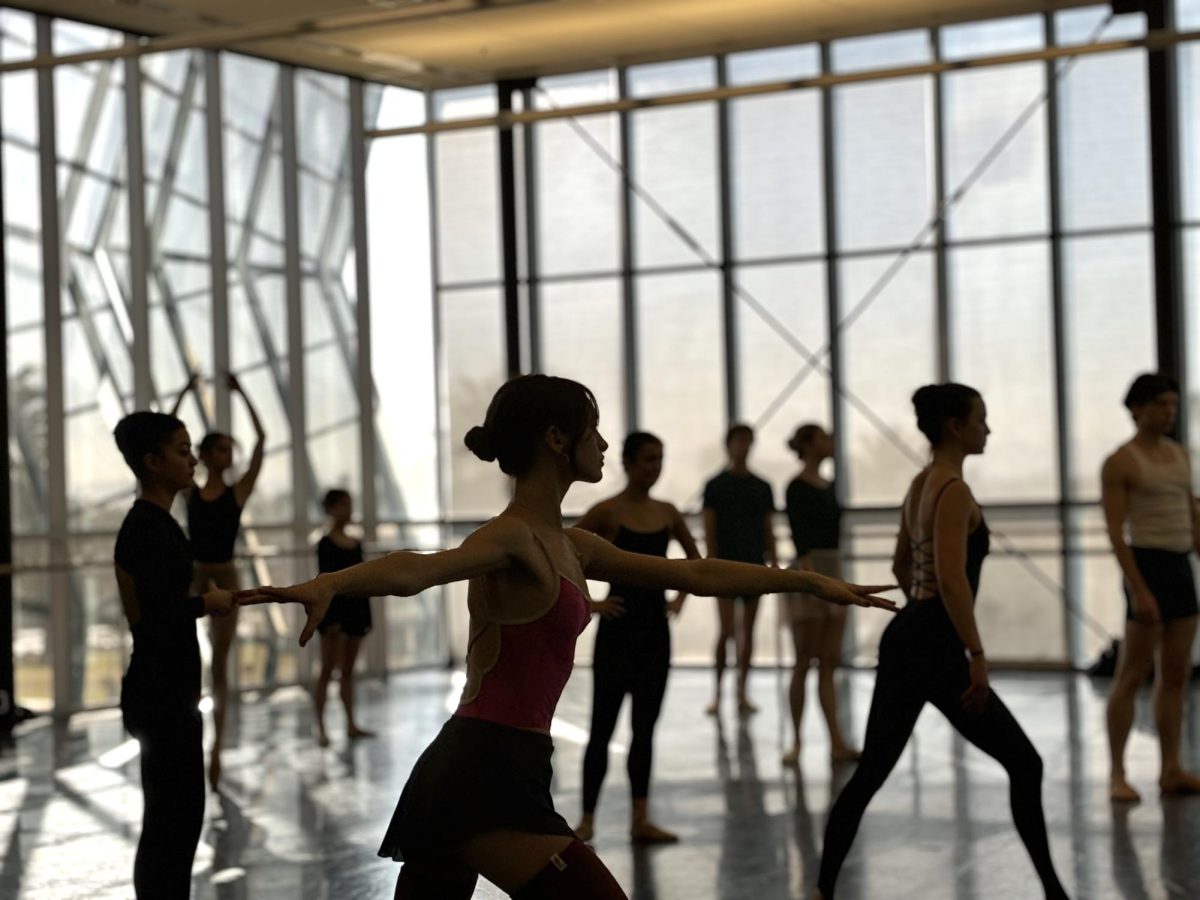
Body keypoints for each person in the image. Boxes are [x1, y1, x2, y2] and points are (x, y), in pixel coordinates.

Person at [239, 374, 896, 900]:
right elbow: (419, 568)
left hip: (506, 762)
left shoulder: (573, 544)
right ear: (557, 440)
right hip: (480, 770)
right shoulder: (511, 536)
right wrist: (332, 583)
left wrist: (804, 583)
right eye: (594, 432)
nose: (604, 444)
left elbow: (691, 572)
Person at [814, 384, 1068, 900]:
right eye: (982, 419)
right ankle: (1055, 895)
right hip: (937, 644)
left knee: (870, 774)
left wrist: (921, 608)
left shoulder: (919, 484)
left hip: (908, 636)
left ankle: (822, 891)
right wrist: (975, 653)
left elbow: (901, 564)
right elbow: (952, 579)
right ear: (956, 426)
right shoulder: (954, 492)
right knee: (1026, 763)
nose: (988, 429)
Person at [112, 412, 235, 898]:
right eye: (182, 452)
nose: (193, 461)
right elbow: (156, 614)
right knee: (173, 821)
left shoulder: (157, 523)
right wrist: (208, 602)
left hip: (167, 689)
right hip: (161, 692)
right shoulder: (147, 527)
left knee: (174, 820)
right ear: (152, 462)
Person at [573, 432, 702, 846]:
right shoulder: (607, 511)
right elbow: (561, 555)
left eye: (660, 459)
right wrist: (593, 605)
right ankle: (587, 821)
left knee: (644, 731)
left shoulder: (667, 512)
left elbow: (696, 564)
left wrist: (681, 597)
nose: (655, 467)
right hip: (618, 630)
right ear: (626, 463)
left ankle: (640, 818)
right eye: (648, 460)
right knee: (602, 729)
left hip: (653, 635)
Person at [1103, 373, 1200, 803]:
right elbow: (1114, 531)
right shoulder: (1120, 461)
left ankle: (1171, 769)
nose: (1168, 412)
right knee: (1132, 673)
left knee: (1175, 673)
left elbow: (1190, 512)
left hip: (1179, 565)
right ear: (1137, 408)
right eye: (1161, 404)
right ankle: (1118, 774)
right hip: (1147, 565)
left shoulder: (1180, 455)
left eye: (1173, 405)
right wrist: (1138, 589)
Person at [170, 371, 265, 788]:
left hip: (224, 574)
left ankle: (216, 752)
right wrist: (183, 395)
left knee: (221, 666)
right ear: (206, 455)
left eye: (230, 449)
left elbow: (262, 442)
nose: (229, 454)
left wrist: (243, 393)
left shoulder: (237, 492)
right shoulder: (190, 489)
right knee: (189, 660)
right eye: (222, 449)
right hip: (195, 575)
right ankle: (192, 745)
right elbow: (166, 443)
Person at [781, 423, 858, 766]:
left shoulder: (829, 485)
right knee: (803, 661)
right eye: (824, 438)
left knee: (828, 661)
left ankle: (836, 740)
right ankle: (796, 741)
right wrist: (814, 587)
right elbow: (801, 540)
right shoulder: (797, 487)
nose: (831, 442)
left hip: (833, 568)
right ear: (810, 445)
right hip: (809, 572)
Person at [702, 423, 777, 716]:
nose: (743, 447)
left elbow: (768, 527)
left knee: (748, 631)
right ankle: (719, 692)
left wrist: (772, 560)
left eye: (748, 441)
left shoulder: (762, 486)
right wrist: (711, 561)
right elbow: (710, 526)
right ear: (729, 445)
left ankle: (741, 691)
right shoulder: (716, 486)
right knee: (727, 630)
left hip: (753, 564)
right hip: (725, 566)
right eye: (739, 441)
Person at [313, 488, 375, 748]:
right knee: (328, 668)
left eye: (350, 505)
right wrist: (330, 618)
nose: (349, 510)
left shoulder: (356, 543)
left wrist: (366, 614)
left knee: (348, 671)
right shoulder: (324, 544)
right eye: (344, 505)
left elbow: (362, 581)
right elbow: (325, 584)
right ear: (332, 508)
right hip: (334, 614)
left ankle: (350, 723)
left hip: (355, 610)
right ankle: (322, 728)